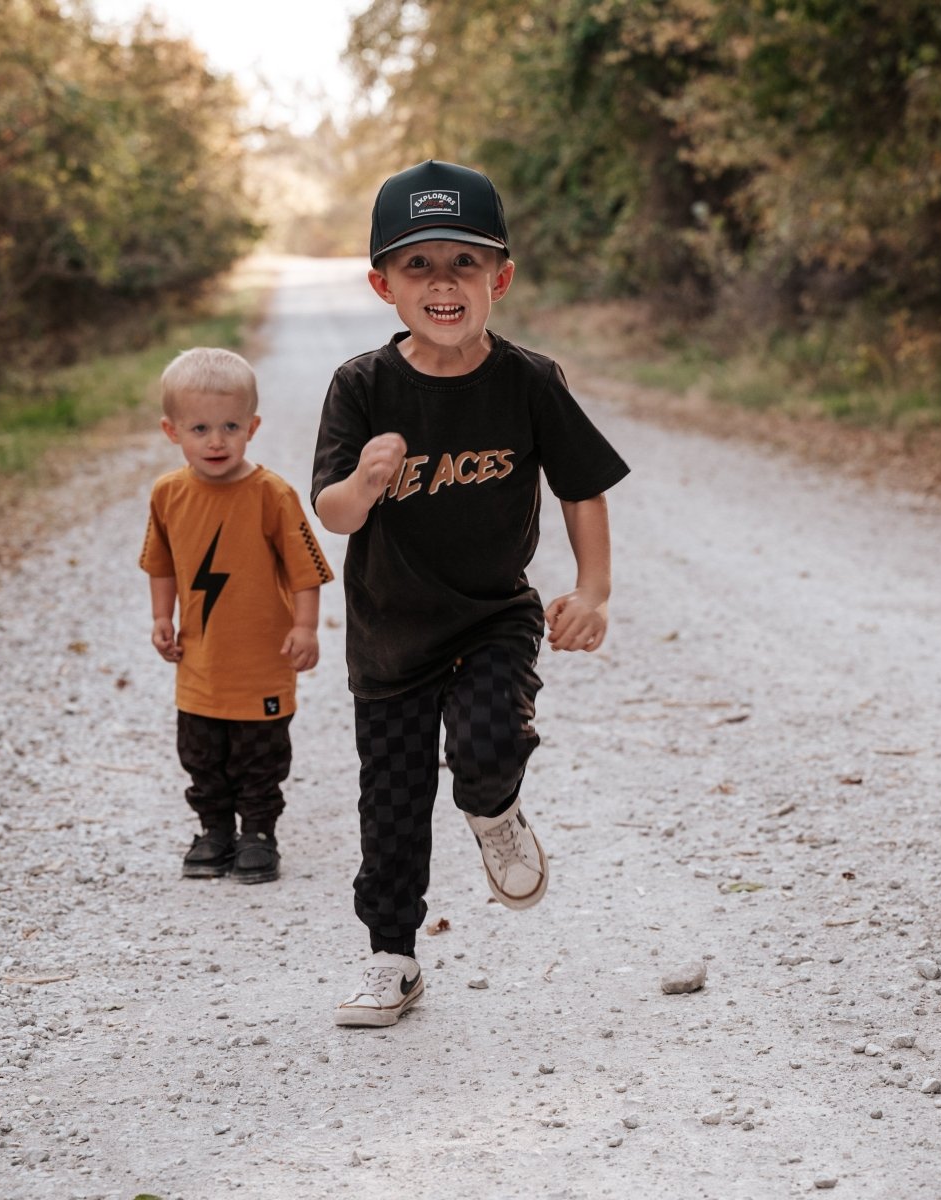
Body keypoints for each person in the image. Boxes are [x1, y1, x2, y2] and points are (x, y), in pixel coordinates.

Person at [311, 159, 629, 1026]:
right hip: (389, 638)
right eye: (418, 264)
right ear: (383, 283)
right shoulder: (363, 386)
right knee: (393, 805)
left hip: (493, 617)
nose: (443, 282)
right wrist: (368, 481)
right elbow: (332, 512)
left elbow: (581, 484)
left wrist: (592, 589)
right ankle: (392, 959)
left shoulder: (528, 379)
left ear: (502, 277)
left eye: (464, 262)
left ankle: (495, 811)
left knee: (489, 743)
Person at [140, 347, 333, 884]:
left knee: (259, 758)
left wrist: (304, 626)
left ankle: (259, 834)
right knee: (201, 755)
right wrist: (161, 617)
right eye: (199, 428)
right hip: (200, 663)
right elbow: (160, 563)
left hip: (262, 664)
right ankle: (214, 830)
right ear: (171, 430)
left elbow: (305, 570)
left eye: (230, 426)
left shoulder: (271, 494)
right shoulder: (168, 494)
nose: (216, 440)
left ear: (253, 426)